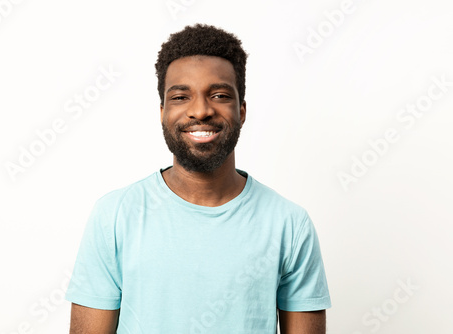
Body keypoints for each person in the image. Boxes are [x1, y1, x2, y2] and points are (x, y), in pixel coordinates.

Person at [65, 23, 331, 333]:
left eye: (219, 95)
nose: (201, 111)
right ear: (162, 111)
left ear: (241, 110)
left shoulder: (290, 224)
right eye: (181, 97)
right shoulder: (114, 216)